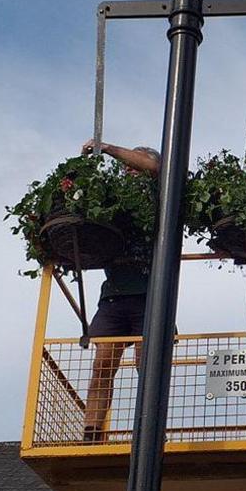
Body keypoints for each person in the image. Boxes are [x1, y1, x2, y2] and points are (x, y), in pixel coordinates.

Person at [79, 139, 160, 443]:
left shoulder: (157, 193)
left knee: (146, 363)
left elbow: (154, 167)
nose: (129, 170)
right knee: (102, 365)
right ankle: (92, 430)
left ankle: (149, 428)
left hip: (149, 295)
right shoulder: (117, 201)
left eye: (133, 164)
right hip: (113, 296)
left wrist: (106, 148)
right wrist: (84, 164)